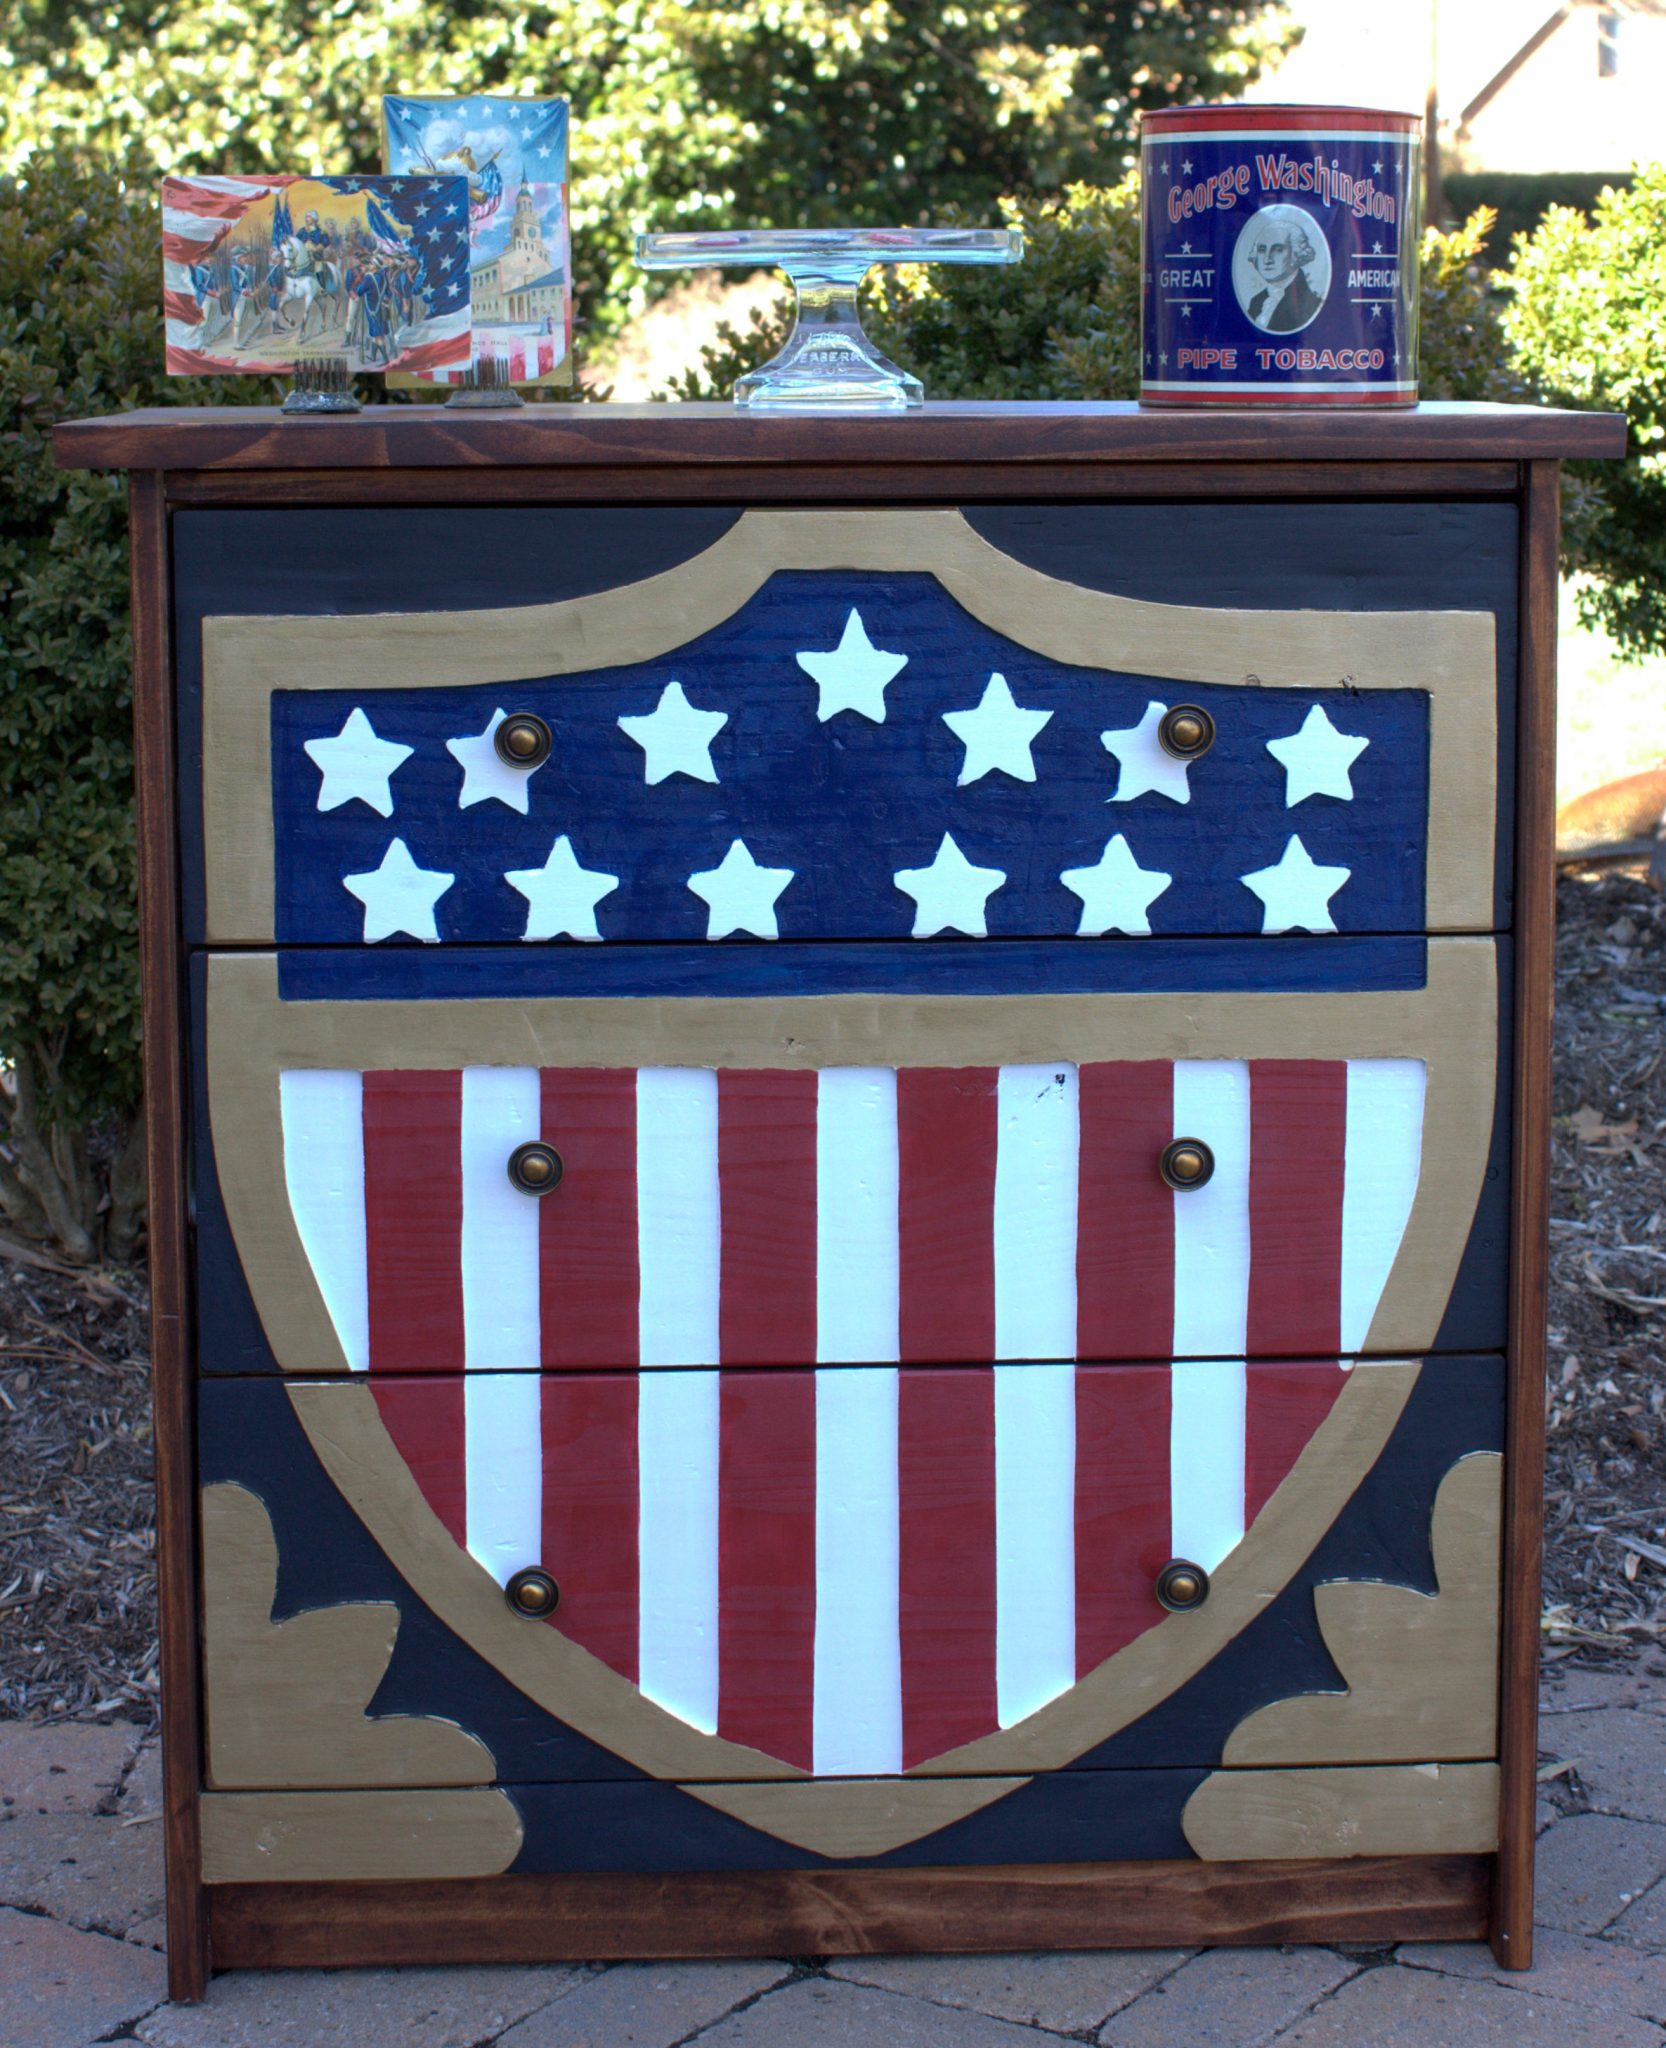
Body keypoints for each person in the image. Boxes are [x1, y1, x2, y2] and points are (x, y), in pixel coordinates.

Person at [1240, 207, 1324, 333]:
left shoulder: (1312, 305)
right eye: (1262, 250)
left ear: (1295, 254)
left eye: (1278, 249)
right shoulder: (1256, 302)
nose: (1267, 259)